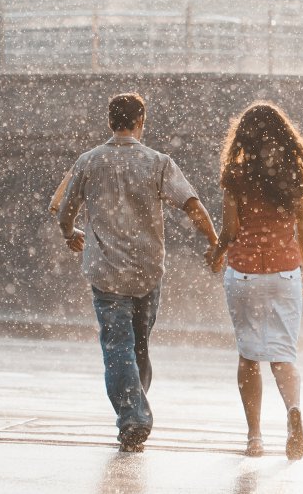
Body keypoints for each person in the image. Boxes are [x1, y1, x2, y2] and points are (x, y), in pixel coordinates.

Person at [58, 92, 220, 453]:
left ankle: (133, 416)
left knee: (118, 349)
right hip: (147, 270)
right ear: (141, 122)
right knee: (138, 346)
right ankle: (134, 415)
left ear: (109, 121)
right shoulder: (158, 163)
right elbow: (191, 204)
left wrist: (71, 234)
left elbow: (65, 210)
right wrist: (214, 242)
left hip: (105, 272)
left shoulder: (89, 162)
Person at [205, 101, 303, 459]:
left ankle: (254, 437)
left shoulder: (235, 176)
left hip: (245, 273)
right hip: (285, 273)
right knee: (283, 353)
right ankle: (293, 412)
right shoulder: (295, 176)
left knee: (249, 356)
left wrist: (218, 252)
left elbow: (232, 230)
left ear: (243, 138)